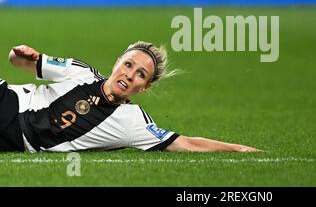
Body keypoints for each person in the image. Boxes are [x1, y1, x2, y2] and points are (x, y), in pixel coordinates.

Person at [0, 42, 259, 153]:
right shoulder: (80, 72)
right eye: (128, 64)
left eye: (140, 74)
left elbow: (184, 143)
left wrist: (237, 148)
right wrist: (23, 54)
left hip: (17, 140)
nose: (129, 74)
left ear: (144, 87)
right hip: (8, 101)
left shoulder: (132, 122)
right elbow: (18, 62)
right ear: (116, 63)